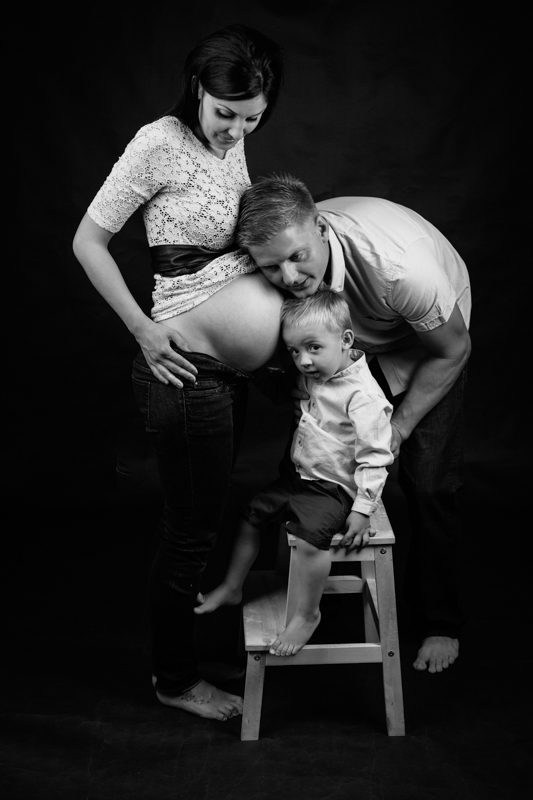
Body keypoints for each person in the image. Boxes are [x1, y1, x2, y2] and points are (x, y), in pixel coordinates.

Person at [72, 25, 285, 722]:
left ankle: (186, 655)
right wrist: (142, 327)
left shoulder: (234, 138)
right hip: (185, 371)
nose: (235, 132)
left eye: (251, 118)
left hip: (228, 372)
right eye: (225, 114)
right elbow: (88, 241)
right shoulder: (158, 142)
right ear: (198, 88)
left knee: (207, 519)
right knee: (190, 532)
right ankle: (175, 679)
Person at [234, 174, 472, 674]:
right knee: (305, 468)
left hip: (423, 342)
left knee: (429, 484)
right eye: (272, 266)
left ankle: (440, 622)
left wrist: (397, 429)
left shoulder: (402, 269)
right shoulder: (278, 264)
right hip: (342, 342)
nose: (289, 276)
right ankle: (298, 588)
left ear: (320, 228)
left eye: (298, 257)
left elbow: (453, 349)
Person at [195, 290, 394, 656]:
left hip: (333, 489)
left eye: (313, 347)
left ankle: (307, 614)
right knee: (250, 515)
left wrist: (363, 509)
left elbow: (375, 456)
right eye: (294, 351)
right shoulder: (315, 370)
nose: (303, 360)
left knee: (308, 541)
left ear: (346, 340)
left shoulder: (363, 396)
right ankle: (232, 586)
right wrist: (242, 361)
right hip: (296, 477)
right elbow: (281, 389)